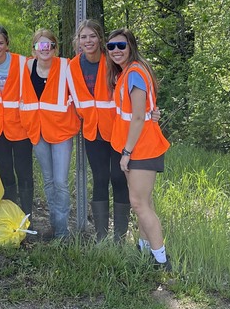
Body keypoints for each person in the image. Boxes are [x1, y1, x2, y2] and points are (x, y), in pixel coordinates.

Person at [106, 28, 172, 270]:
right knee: (143, 202)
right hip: (137, 145)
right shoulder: (127, 73)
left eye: (121, 46)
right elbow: (144, 110)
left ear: (131, 46)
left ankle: (161, 260)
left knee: (139, 203)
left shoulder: (134, 72)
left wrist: (126, 153)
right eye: (111, 46)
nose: (115, 51)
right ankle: (146, 250)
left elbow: (137, 117)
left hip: (142, 147)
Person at [68, 19, 130, 242]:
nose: (88, 41)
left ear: (100, 39)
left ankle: (120, 237)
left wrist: (151, 111)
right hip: (91, 131)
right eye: (83, 37)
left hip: (117, 129)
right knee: (100, 178)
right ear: (78, 41)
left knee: (119, 178)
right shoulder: (71, 66)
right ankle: (102, 237)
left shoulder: (112, 62)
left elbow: (133, 89)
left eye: (92, 36)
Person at [20, 28, 80, 239]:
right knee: (48, 179)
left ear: (55, 48)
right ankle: (54, 226)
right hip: (38, 131)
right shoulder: (26, 66)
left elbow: (84, 90)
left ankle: (62, 232)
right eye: (40, 46)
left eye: (49, 45)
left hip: (62, 131)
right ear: (34, 49)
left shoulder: (67, 66)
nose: (45, 50)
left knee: (61, 181)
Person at [0, 25, 34, 216]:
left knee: (24, 171)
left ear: (7, 44)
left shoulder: (22, 63)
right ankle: (11, 214)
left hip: (20, 127)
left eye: (1, 43)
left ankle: (27, 215)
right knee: (5, 171)